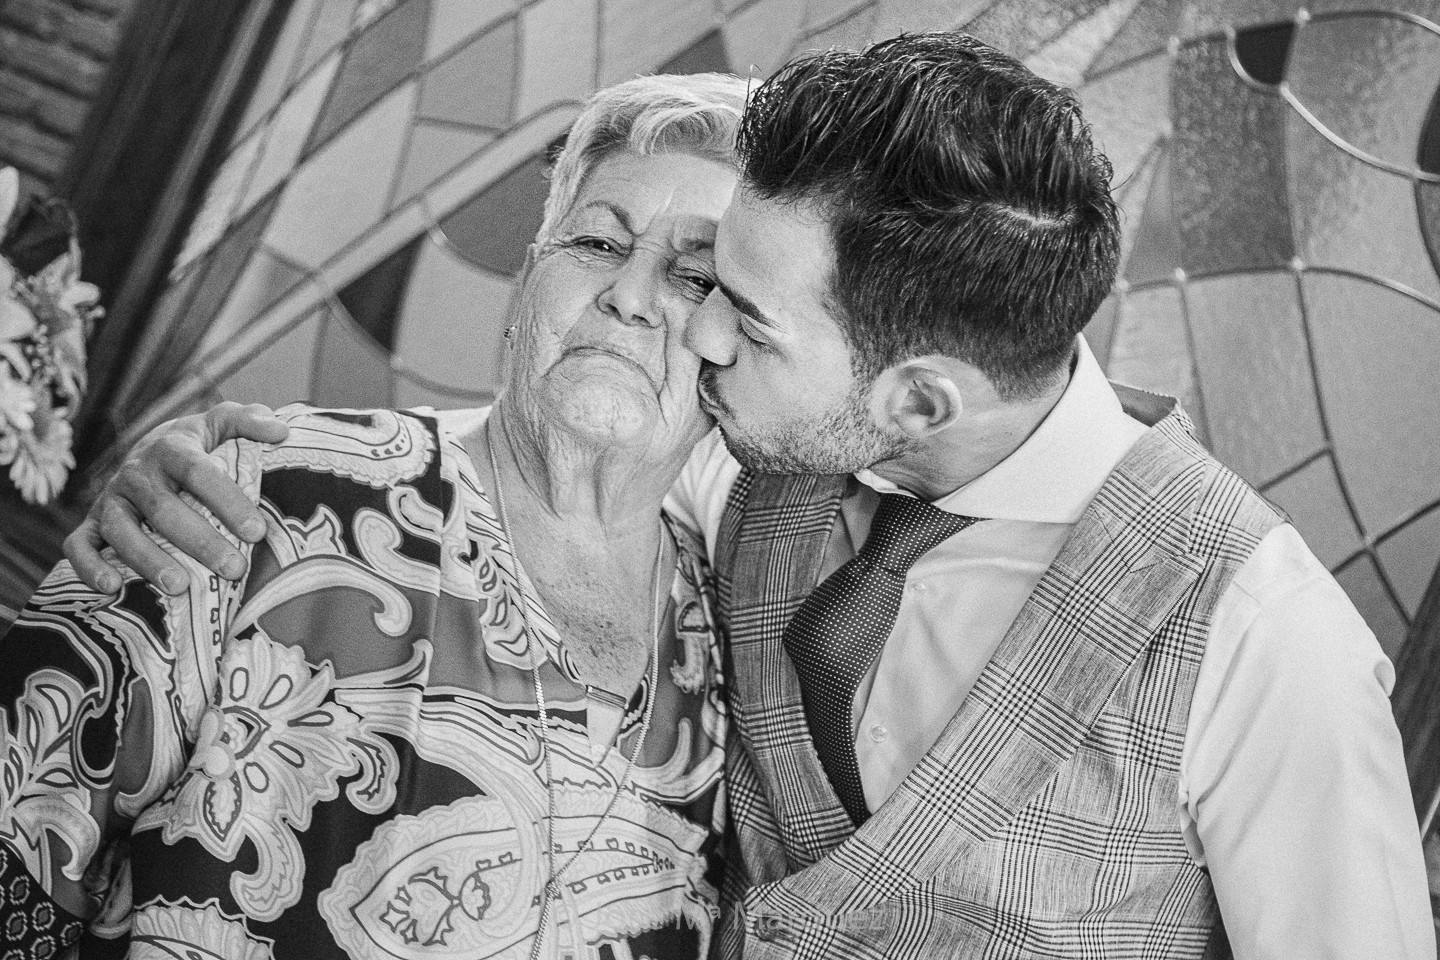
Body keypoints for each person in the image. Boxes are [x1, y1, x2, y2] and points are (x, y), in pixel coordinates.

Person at [61, 33, 1433, 960]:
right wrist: (204, 468)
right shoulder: (754, 465)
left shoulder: (1263, 642)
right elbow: (539, 448)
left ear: (920, 399)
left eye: (742, 312)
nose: (694, 334)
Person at [0, 72, 748, 960]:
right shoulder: (266, 490)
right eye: (594, 242)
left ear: (747, 345)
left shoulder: (726, 637)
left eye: (695, 274)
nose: (629, 294)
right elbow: (21, 834)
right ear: (527, 278)